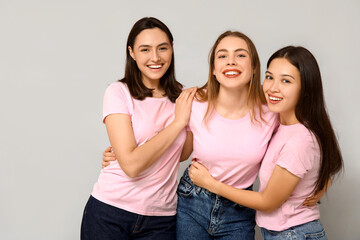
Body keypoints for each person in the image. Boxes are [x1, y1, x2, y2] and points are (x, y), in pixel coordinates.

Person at [188, 46, 344, 239]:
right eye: (269, 77)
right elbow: (329, 161)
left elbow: (268, 201)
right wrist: (322, 183)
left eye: (286, 81)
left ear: (306, 88)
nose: (272, 87)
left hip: (294, 234)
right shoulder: (280, 122)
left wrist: (211, 184)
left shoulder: (300, 140)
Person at [80, 17, 196, 240]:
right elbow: (131, 166)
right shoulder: (118, 93)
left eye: (163, 48)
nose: (155, 57)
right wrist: (178, 123)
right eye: (145, 49)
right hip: (109, 212)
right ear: (132, 53)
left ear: (172, 49)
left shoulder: (183, 98)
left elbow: (180, 155)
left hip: (161, 219)